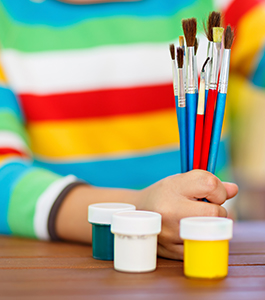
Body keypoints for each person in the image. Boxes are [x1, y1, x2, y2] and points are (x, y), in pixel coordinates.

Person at [0, 0, 238, 260]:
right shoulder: (7, 21)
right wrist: (138, 214)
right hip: (69, 268)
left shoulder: (217, 4)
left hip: (211, 255)